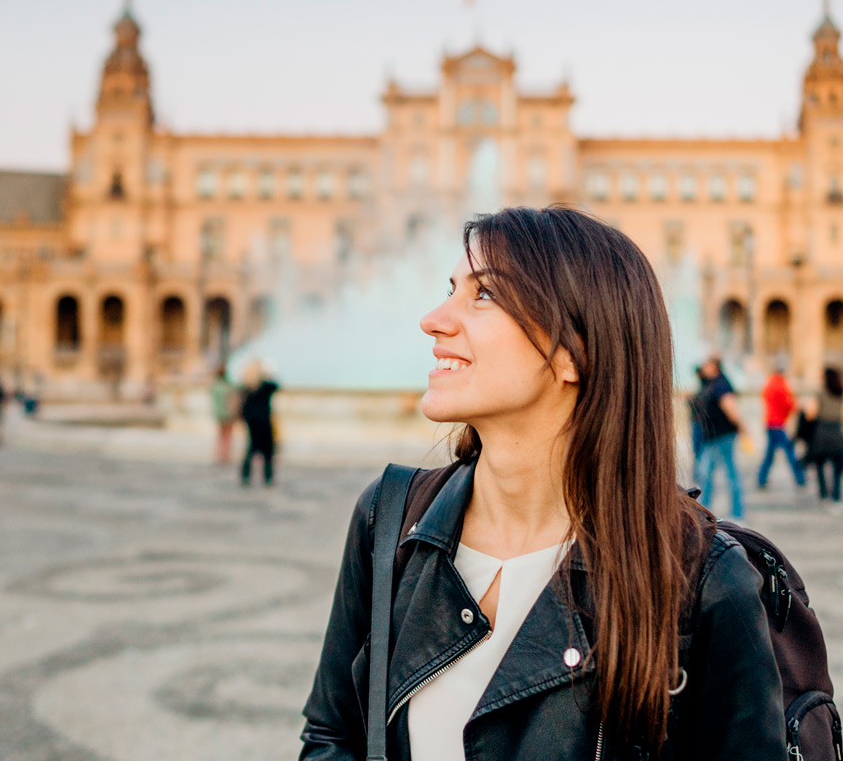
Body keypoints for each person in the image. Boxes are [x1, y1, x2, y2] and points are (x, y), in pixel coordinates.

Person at [300, 206, 783, 760]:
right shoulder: (389, 520)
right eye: (451, 289)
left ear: (573, 351)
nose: (432, 319)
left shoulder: (701, 578)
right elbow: (333, 736)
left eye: (483, 296)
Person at [691, 356, 746, 520]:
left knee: (723, 473)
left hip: (722, 436)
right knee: (708, 473)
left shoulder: (721, 383)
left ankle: (736, 511)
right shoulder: (711, 383)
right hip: (712, 437)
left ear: (714, 367)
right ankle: (706, 509)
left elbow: (730, 408)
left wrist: (743, 428)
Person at [794, 367, 843, 502]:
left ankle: (823, 494)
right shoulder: (841, 394)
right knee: (837, 466)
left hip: (822, 431)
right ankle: (836, 495)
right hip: (837, 431)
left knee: (820, 464)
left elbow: (811, 413)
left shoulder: (819, 393)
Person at [754, 366, 802, 489]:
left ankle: (762, 478)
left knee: (769, 454)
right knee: (789, 451)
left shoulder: (769, 383)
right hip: (778, 424)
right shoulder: (781, 385)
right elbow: (788, 403)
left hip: (770, 422)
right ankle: (800, 477)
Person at [240, 360, 279, 487]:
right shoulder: (266, 386)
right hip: (264, 421)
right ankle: (267, 477)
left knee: (251, 449)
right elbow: (277, 386)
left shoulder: (247, 386)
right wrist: (268, 375)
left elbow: (243, 405)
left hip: (252, 422)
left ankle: (245, 476)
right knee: (268, 451)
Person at [210, 364, 240, 465]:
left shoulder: (215, 386)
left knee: (220, 436)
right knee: (228, 436)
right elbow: (233, 401)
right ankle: (225, 456)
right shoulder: (229, 386)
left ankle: (218, 455)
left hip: (218, 414)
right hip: (228, 414)